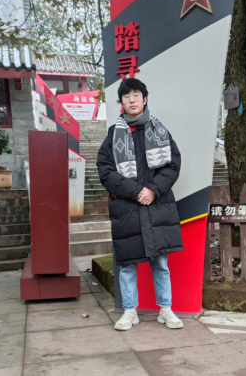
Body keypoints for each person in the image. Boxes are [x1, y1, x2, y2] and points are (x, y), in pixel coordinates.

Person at [96, 77, 184, 331]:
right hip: (127, 209)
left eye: (136, 95)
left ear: (145, 99)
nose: (132, 100)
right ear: (121, 102)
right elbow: (105, 171)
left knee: (161, 263)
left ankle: (165, 309)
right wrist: (137, 192)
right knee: (127, 264)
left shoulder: (160, 131)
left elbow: (173, 165)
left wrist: (154, 189)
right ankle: (129, 311)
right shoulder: (113, 135)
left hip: (157, 207)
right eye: (127, 96)